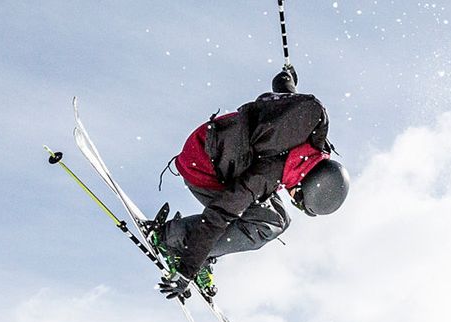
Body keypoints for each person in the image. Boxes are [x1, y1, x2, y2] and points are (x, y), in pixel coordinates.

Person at [146, 64, 349, 300]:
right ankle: (173, 237)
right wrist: (186, 270)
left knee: (279, 219)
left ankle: (201, 249)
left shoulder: (312, 130)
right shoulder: (265, 175)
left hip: (220, 145)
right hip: (203, 166)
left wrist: (285, 81)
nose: (291, 196)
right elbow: (221, 214)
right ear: (306, 185)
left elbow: (281, 103)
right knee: (265, 225)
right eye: (298, 199)